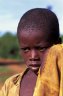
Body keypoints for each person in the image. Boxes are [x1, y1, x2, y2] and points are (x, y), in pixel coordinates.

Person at [0, 8, 62, 96]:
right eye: (26, 49)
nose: (33, 57)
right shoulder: (10, 85)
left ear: (58, 44)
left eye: (41, 48)